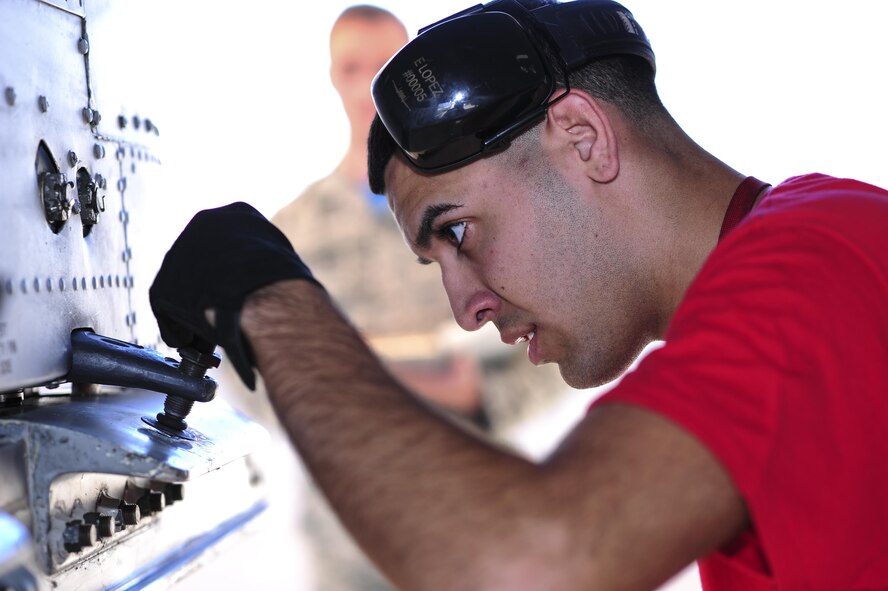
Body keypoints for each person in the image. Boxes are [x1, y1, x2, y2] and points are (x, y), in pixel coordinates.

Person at [149, 0, 888, 589]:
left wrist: (266, 298)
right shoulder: (807, 246)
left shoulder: (811, 267)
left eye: (460, 233)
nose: (465, 306)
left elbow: (525, 565)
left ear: (582, 137)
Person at [271, 5, 570, 590]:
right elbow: (253, 376)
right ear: (333, 77)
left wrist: (476, 393)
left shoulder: (484, 210)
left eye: (386, 65)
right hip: (346, 540)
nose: (366, 85)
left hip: (472, 521)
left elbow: (562, 340)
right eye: (352, 67)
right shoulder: (293, 236)